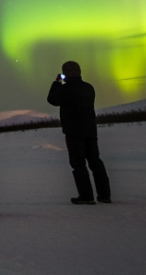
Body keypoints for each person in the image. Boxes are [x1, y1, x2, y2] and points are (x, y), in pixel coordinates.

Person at [46, 61, 112, 205]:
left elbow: (52, 99)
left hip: (73, 131)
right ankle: (104, 195)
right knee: (95, 162)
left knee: (78, 163)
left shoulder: (65, 89)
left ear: (66, 73)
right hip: (90, 130)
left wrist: (57, 82)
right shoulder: (88, 88)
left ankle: (86, 196)